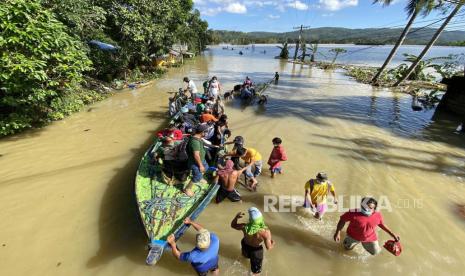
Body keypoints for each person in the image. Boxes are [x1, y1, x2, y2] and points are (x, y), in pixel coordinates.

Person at [333, 197, 400, 255]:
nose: (366, 209)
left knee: (375, 253)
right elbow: (342, 220)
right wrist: (337, 232)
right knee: (345, 250)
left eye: (369, 208)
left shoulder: (377, 215)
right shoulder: (352, 212)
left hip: (370, 238)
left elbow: (382, 224)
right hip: (352, 237)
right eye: (364, 207)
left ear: (374, 209)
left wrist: (392, 234)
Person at [231, 207, 274, 276]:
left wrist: (236, 217)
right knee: (256, 272)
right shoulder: (265, 232)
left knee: (244, 257)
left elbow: (233, 225)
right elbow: (268, 248)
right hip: (256, 252)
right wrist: (272, 243)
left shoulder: (244, 226)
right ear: (261, 219)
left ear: (250, 219)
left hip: (245, 245)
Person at [185, 124, 210, 197]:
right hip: (195, 162)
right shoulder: (194, 142)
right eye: (206, 132)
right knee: (197, 176)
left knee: (206, 168)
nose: (207, 133)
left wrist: (214, 146)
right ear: (202, 132)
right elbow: (196, 155)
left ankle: (200, 178)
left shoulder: (199, 138)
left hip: (202, 160)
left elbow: (204, 144)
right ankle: (187, 189)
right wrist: (200, 165)